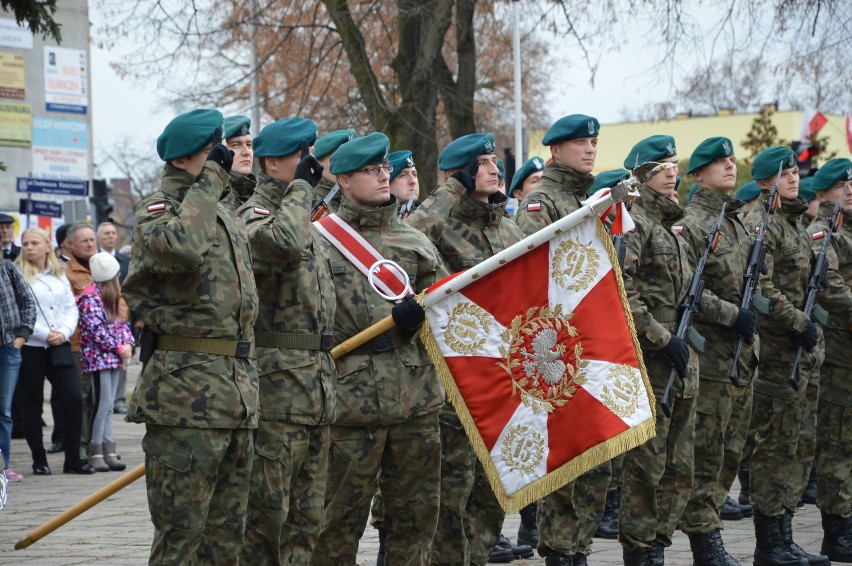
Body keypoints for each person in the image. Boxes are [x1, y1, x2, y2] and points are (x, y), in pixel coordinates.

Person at [123, 108, 259, 564]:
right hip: (185, 399)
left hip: (235, 394)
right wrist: (211, 181)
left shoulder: (220, 212)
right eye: (213, 152)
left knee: (227, 537)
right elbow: (182, 247)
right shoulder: (158, 211)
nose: (224, 159)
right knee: (182, 537)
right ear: (182, 161)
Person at [310, 132, 446, 565]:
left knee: (416, 519)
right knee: (335, 524)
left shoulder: (414, 241)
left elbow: (447, 310)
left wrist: (425, 314)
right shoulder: (319, 240)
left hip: (416, 400)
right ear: (344, 180)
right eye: (371, 170)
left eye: (385, 168)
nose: (384, 176)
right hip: (351, 405)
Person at [406, 132, 531, 565]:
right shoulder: (437, 225)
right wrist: (451, 190)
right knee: (451, 495)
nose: (496, 170)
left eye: (495, 161)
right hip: (453, 385)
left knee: (493, 492)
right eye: (483, 163)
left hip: (505, 380)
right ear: (459, 174)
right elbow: (407, 242)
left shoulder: (508, 225)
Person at [236, 116, 337, 565]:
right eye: (303, 156)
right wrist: (300, 190)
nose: (312, 166)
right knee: (268, 521)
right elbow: (283, 246)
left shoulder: (305, 217)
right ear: (273, 163)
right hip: (276, 394)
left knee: (308, 519)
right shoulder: (253, 217)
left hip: (315, 391)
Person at [512, 114, 610, 566]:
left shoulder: (588, 198)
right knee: (566, 463)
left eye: (593, 142)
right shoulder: (543, 202)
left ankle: (579, 550)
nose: (590, 149)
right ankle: (559, 553)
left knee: (595, 464)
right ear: (555, 150)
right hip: (557, 349)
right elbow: (530, 273)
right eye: (579, 143)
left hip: (593, 343)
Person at [743, 146, 828, 566]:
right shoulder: (762, 224)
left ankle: (785, 534)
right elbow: (760, 291)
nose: (794, 177)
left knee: (797, 447)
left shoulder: (795, 223)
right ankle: (768, 543)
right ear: (763, 182)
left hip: (803, 351)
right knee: (774, 449)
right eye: (785, 173)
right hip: (777, 353)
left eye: (796, 171)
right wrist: (799, 322)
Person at [676, 137, 759, 565]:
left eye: (730, 160)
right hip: (711, 360)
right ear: (698, 175)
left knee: (732, 450)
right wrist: (732, 315)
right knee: (706, 453)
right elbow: (688, 292)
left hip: (743, 358)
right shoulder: (691, 224)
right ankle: (704, 543)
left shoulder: (738, 222)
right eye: (718, 162)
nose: (729, 166)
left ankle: (712, 530)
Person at [618, 134, 699, 565]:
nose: (671, 172)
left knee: (680, 465)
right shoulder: (632, 223)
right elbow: (621, 290)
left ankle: (659, 545)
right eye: (661, 167)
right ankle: (640, 550)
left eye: (673, 164)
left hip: (683, 360)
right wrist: (662, 338)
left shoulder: (675, 225)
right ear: (642, 175)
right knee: (646, 466)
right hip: (652, 359)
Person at [15, 228, 95, 476]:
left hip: (60, 345)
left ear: (47, 245)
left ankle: (73, 459)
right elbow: (18, 311)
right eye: (25, 243)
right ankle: (39, 459)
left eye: (34, 243)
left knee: (73, 399)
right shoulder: (17, 274)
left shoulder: (59, 273)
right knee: (32, 404)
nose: (29, 248)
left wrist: (63, 331)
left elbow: (71, 308)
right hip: (31, 347)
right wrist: (42, 333)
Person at [804, 158, 852, 561]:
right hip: (838, 355)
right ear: (822, 195)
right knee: (838, 444)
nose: (849, 191)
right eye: (841, 187)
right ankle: (837, 533)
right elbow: (829, 288)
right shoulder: (823, 233)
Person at [76, 252, 133, 472]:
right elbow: (96, 329)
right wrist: (119, 346)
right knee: (101, 405)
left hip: (113, 359)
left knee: (108, 406)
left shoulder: (113, 299)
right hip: (98, 360)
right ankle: (95, 450)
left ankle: (109, 449)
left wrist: (127, 343)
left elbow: (122, 325)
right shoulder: (90, 299)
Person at [64, 223, 100, 462]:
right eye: (84, 240)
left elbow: (119, 298)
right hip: (78, 343)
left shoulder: (104, 266)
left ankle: (97, 445)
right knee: (81, 398)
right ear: (71, 245)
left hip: (103, 345)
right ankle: (79, 447)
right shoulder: (68, 273)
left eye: (91, 239)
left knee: (99, 399)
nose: (90, 244)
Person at [0, 250, 35, 481]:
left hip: (8, 347)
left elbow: (28, 301)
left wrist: (22, 336)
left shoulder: (7, 267)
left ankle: (3, 466)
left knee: (3, 410)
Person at [96, 221, 131, 414]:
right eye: (106, 233)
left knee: (123, 360)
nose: (110, 236)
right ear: (99, 237)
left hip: (122, 315)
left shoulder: (124, 261)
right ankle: (107, 400)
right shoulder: (95, 259)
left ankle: (119, 400)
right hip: (102, 317)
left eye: (113, 233)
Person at [312, 129, 357, 212]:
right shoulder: (303, 202)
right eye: (339, 158)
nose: (348, 165)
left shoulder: (359, 199)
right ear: (317, 163)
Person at [221, 114, 257, 211]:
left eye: (249, 145)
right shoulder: (212, 198)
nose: (246, 152)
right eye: (236, 145)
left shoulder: (261, 195)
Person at [388, 149, 420, 218]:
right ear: (387, 184)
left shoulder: (430, 214)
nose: (413, 181)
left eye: (414, 174)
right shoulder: (379, 219)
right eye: (403, 175)